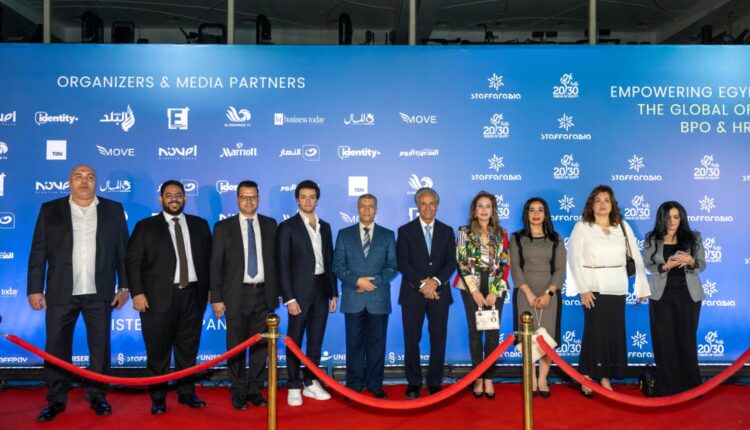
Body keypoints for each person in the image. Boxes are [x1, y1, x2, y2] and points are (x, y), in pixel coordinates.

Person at [27, 164, 130, 422]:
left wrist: (124, 287)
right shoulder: (50, 210)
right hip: (61, 291)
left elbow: (123, 252)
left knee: (100, 348)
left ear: (96, 182)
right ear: (70, 182)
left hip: (100, 291)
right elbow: (38, 252)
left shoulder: (113, 210)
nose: (84, 181)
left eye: (90, 177)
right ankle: (56, 399)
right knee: (56, 348)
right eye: (78, 177)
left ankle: (97, 396)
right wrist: (34, 289)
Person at [126, 180, 212, 414]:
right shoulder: (145, 226)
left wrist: (212, 290)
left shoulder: (200, 225)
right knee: (158, 352)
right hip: (156, 299)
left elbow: (209, 261)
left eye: (178, 195)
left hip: (192, 296)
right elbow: (133, 262)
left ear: (185, 198)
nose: (174, 198)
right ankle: (158, 398)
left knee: (188, 349)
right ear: (161, 199)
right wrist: (138, 293)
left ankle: (187, 393)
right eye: (169, 195)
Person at [566, 185, 649, 397]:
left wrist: (641, 286)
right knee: (594, 332)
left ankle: (605, 376)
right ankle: (586, 376)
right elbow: (573, 259)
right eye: (598, 200)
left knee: (613, 333)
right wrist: (582, 289)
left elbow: (636, 256)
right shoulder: (582, 227)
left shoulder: (622, 226)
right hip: (593, 287)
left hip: (617, 286)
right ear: (591, 205)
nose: (602, 204)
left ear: (612, 204)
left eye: (606, 200)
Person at [210, 180, 279, 410]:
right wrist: (217, 298)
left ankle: (254, 390)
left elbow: (277, 262)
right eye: (244, 197)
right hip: (235, 295)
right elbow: (216, 266)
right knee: (236, 347)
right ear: (237, 199)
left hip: (264, 294)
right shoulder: (223, 228)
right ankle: (238, 391)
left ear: (258, 198)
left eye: (253, 197)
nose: (249, 201)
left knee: (260, 348)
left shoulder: (270, 225)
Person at [277, 180, 338, 407]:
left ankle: (310, 381)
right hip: (298, 293)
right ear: (297, 200)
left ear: (317, 200)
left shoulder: (326, 227)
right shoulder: (287, 227)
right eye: (303, 197)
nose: (308, 201)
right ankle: (293, 385)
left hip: (322, 289)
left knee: (316, 340)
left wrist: (334, 292)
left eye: (312, 197)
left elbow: (329, 261)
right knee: (294, 340)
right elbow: (282, 265)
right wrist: (289, 298)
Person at [332, 194, 398, 399]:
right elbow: (338, 265)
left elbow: (393, 266)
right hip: (353, 298)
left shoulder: (388, 235)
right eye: (363, 206)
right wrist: (357, 281)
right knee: (354, 344)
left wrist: (373, 283)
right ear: (358, 209)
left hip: (378, 299)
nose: (367, 209)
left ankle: (375, 385)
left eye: (370, 206)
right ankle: (354, 385)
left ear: (376, 209)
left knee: (377, 345)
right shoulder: (344, 234)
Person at [396, 187, 456, 399]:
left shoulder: (447, 231)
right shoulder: (405, 231)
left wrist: (435, 282)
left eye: (432, 203)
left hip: (440, 294)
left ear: (437, 206)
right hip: (413, 294)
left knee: (438, 339)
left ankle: (434, 382)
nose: (428, 207)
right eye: (423, 203)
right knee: (412, 340)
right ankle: (413, 383)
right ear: (417, 206)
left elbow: (451, 262)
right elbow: (403, 262)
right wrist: (423, 286)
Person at [644, 201, 705, 396]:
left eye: (676, 217)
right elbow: (647, 264)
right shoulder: (652, 238)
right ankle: (669, 387)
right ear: (661, 219)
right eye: (668, 217)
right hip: (661, 297)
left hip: (689, 296)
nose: (672, 221)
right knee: (663, 342)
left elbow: (702, 264)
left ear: (682, 218)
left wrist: (691, 261)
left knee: (686, 340)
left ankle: (692, 386)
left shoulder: (693, 237)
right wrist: (665, 266)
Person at [454, 191, 510, 400]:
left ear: (493, 210)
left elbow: (504, 263)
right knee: (475, 332)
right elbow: (461, 262)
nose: (484, 210)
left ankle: (489, 377)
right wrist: (474, 290)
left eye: (488, 206)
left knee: (493, 333)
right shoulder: (464, 232)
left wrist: (494, 291)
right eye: (480, 206)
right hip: (471, 285)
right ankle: (478, 375)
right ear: (474, 210)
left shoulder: (502, 233)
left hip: (496, 285)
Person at [509, 197, 566, 398]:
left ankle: (542, 379)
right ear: (526, 213)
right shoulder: (516, 238)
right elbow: (515, 267)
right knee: (528, 338)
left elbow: (560, 269)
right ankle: (531, 379)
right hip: (525, 293)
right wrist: (529, 293)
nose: (536, 214)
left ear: (545, 214)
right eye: (531, 210)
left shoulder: (555, 239)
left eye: (540, 210)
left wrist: (548, 293)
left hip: (550, 295)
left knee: (546, 338)